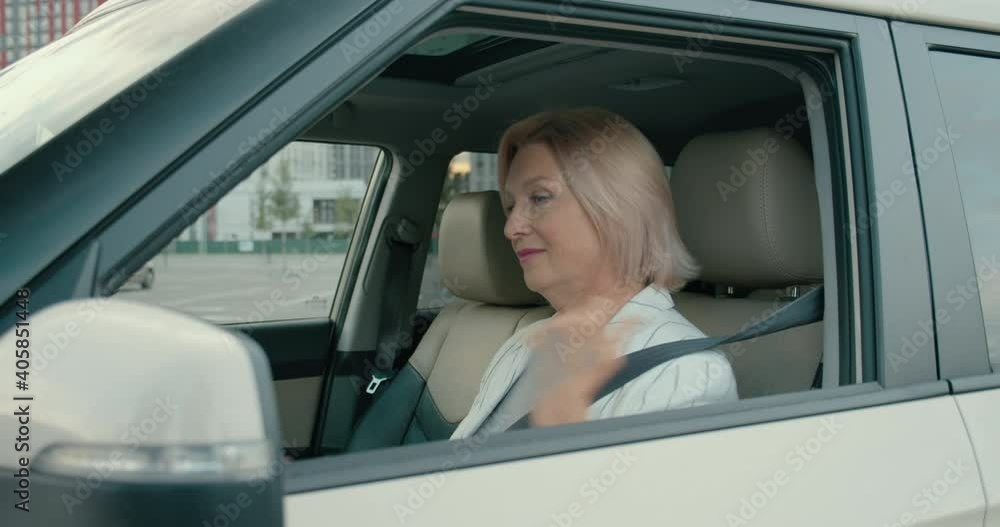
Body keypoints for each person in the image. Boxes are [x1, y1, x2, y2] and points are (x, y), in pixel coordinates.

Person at [450, 108, 738, 441]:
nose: (510, 228)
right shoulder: (519, 347)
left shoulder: (685, 373)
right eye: (511, 206)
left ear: (619, 209)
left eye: (540, 198)